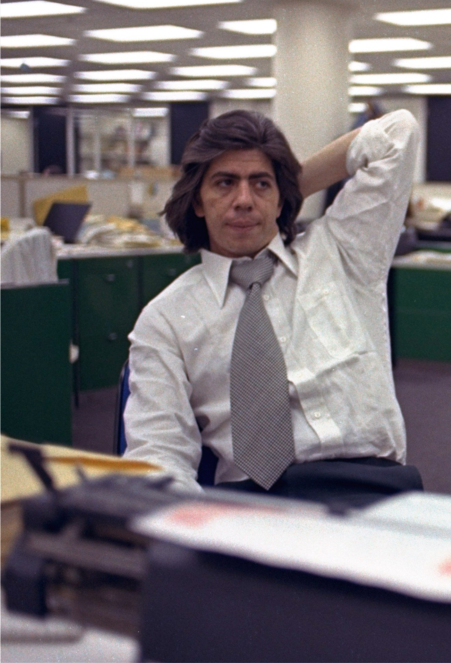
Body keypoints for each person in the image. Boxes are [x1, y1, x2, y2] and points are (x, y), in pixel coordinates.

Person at [124, 109, 423, 506]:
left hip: (372, 492)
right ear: (197, 200)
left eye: (260, 183)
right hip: (252, 505)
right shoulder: (164, 318)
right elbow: (158, 454)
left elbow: (397, 132)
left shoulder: (342, 251)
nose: (243, 201)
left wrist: (287, 187)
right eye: (225, 183)